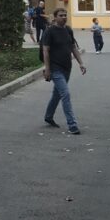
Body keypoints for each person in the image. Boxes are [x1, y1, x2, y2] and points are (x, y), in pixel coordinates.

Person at [42, 7, 87, 135]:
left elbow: (73, 47)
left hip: (67, 67)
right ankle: (72, 125)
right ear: (55, 17)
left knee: (57, 94)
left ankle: (48, 116)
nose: (64, 17)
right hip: (55, 68)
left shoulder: (68, 30)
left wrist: (81, 63)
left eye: (65, 15)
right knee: (65, 94)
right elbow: (45, 51)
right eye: (61, 15)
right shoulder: (49, 32)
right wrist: (47, 69)